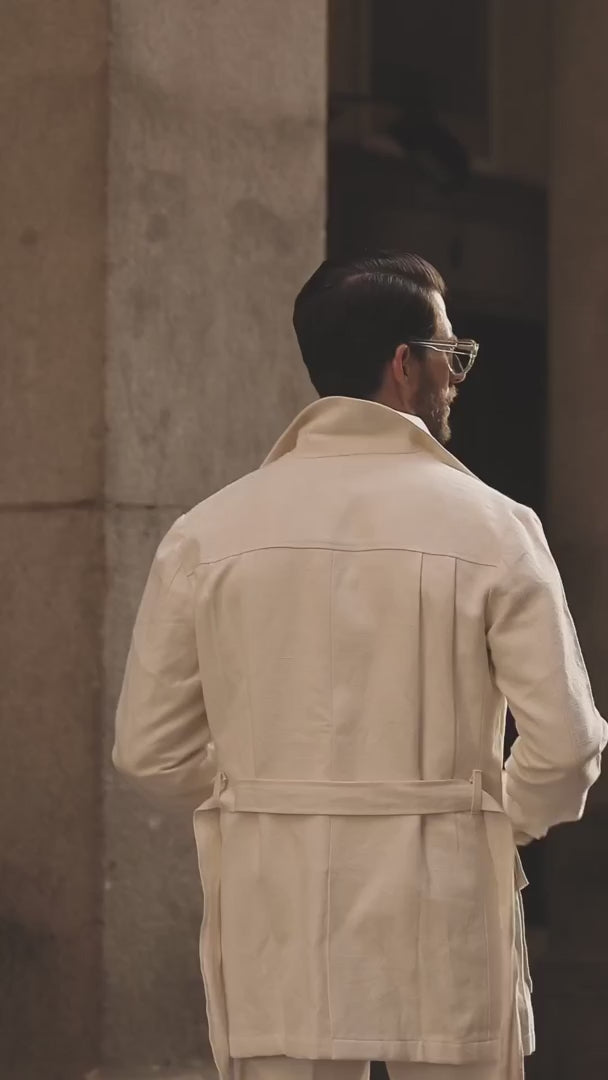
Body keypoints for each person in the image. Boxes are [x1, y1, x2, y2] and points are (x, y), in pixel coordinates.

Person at [113, 253, 607, 1080]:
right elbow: (568, 747)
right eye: (451, 356)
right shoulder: (494, 528)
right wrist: (493, 820)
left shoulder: (207, 534)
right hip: (447, 909)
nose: (456, 378)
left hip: (275, 912)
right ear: (405, 365)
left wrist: (267, 800)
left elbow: (147, 752)